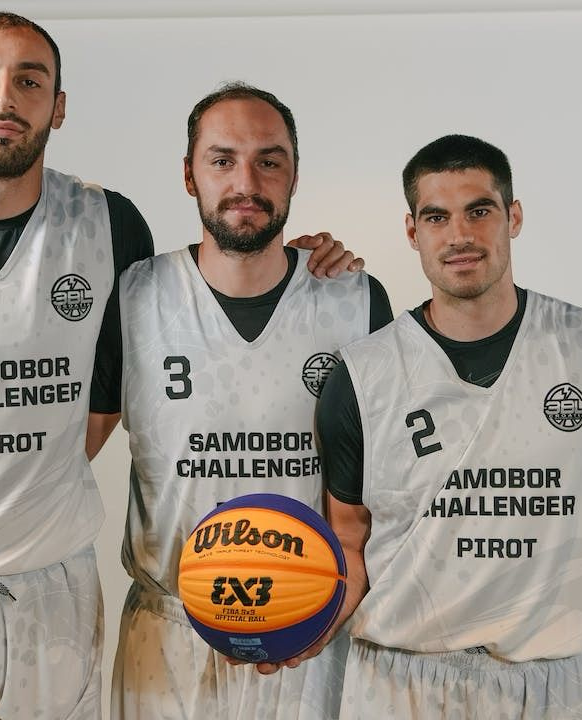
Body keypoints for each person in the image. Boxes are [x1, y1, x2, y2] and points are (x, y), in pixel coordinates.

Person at [0, 14, 357, 719]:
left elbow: (112, 392)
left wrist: (309, 265)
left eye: (29, 81)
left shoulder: (108, 225)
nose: (4, 97)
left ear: (57, 106)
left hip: (50, 597)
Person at [312, 134, 582, 719]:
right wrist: (294, 629)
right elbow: (348, 541)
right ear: (413, 232)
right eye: (437, 217)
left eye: (479, 211)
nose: (460, 235)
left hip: (552, 680)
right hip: (400, 681)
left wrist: (535, 550)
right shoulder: (362, 373)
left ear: (514, 217)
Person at [108, 82, 392, 720]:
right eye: (222, 160)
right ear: (189, 174)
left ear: (294, 175)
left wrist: (346, 589)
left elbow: (384, 481)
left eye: (269, 160)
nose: (247, 182)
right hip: (170, 637)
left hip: (310, 628)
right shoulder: (132, 297)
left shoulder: (354, 300)